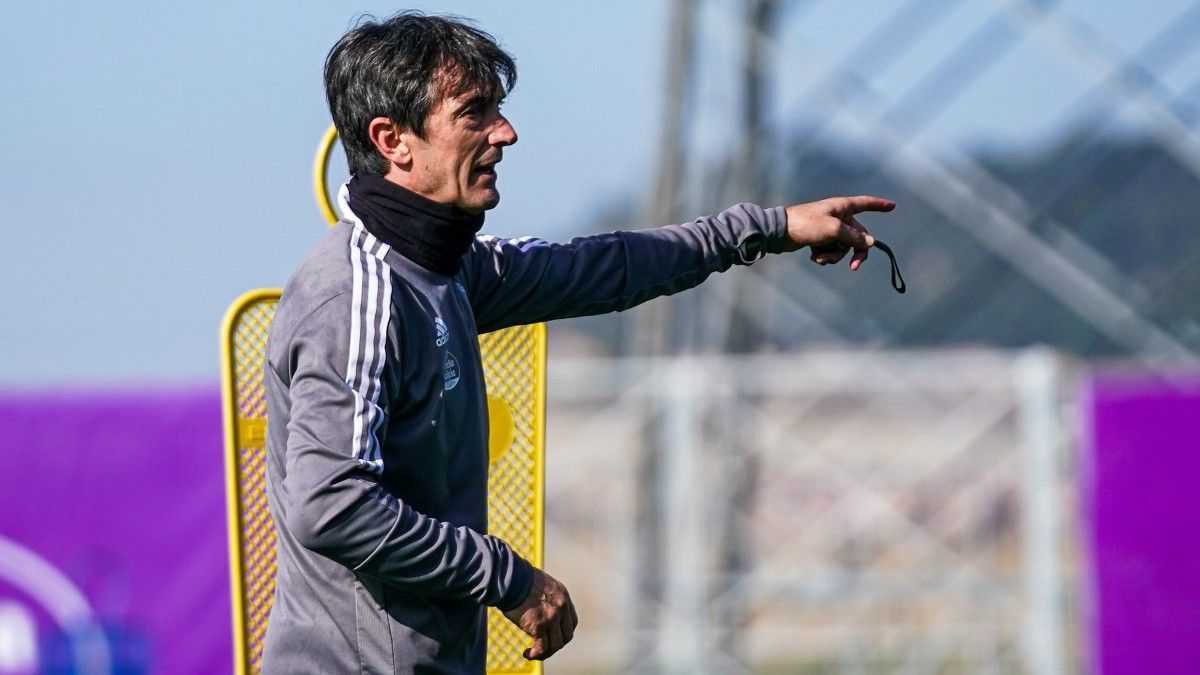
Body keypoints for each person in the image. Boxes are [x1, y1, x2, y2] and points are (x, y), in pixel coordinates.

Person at [262, 11, 895, 674]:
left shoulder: (451, 268)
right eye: (474, 112)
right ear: (393, 140)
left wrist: (774, 226)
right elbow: (330, 502)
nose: (505, 133)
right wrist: (506, 575)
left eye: (498, 110)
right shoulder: (354, 297)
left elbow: (609, 266)